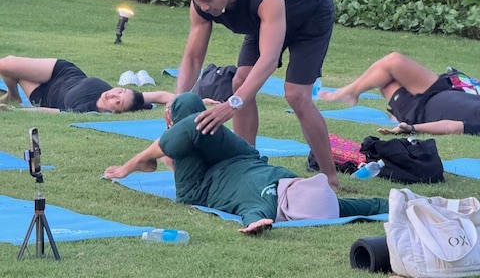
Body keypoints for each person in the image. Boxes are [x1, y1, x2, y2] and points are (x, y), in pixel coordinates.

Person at [105, 93, 388, 234]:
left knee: (191, 125)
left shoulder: (265, 204)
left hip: (200, 185)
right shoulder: (331, 205)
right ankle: (172, 149)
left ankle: (144, 160)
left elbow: (255, 216)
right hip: (240, 158)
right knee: (190, 103)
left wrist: (257, 224)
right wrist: (405, 200)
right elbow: (372, 206)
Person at [172, 0, 338, 189]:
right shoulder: (201, 3)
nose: (204, 7)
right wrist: (178, 101)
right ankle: (245, 165)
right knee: (240, 81)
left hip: (309, 18)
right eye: (197, 1)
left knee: (296, 95)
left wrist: (232, 104)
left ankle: (329, 177)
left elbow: (269, 59)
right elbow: (193, 57)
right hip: (262, 23)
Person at [319, 52, 480, 135]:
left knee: (386, 80)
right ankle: (352, 92)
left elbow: (452, 126)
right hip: (444, 88)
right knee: (393, 61)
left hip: (419, 111)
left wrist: (412, 128)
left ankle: (351, 93)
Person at [0, 55, 174, 113]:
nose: (113, 94)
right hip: (62, 71)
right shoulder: (133, 98)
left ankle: (13, 99)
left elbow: (50, 112)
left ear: (115, 112)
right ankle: (13, 94)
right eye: (120, 91)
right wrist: (175, 106)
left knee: (9, 70)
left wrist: (14, 111)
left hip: (43, 94)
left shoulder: (87, 110)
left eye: (118, 101)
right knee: (6, 63)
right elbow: (162, 96)